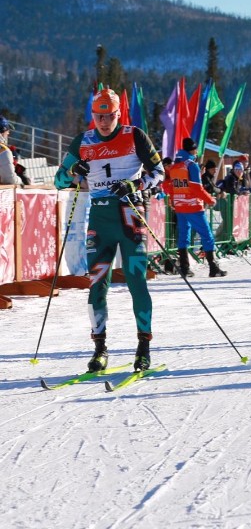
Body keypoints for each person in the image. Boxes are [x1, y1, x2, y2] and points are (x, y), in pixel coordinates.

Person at [53, 88, 165, 372]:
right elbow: (59, 181)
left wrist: (136, 184)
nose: (104, 122)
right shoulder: (83, 141)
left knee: (136, 282)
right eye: (99, 116)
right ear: (93, 115)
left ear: (119, 114)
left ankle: (143, 348)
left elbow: (159, 172)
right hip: (100, 221)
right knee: (96, 286)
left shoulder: (135, 135)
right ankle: (100, 349)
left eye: (109, 116)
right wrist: (71, 172)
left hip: (130, 218)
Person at [164, 138, 227, 279]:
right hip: (193, 206)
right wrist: (210, 200)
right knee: (207, 235)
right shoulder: (191, 165)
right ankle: (213, 267)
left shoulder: (175, 166)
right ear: (192, 150)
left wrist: (173, 200)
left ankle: (185, 268)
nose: (197, 151)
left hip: (180, 206)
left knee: (183, 236)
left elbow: (170, 186)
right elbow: (196, 187)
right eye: (196, 149)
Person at [0, 116, 20, 186]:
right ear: (2, 132)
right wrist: (21, 180)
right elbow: (10, 180)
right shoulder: (4, 151)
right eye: (7, 131)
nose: (8, 133)